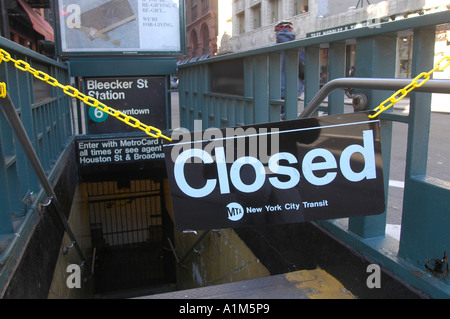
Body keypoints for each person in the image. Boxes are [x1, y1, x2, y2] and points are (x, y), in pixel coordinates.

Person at [275, 22, 305, 119]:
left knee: (274, 117)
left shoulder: (270, 49)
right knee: (290, 115)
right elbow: (304, 70)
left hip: (276, 89)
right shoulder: (299, 48)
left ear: (276, 32)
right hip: (294, 88)